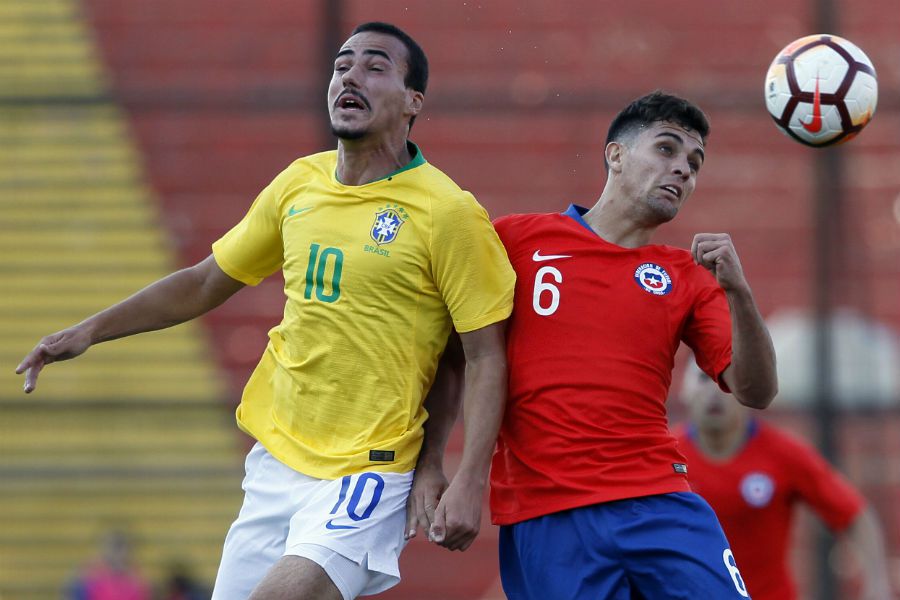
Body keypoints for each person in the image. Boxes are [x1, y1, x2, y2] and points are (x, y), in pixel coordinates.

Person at [16, 21, 515, 600]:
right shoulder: (298, 184)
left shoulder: (448, 212)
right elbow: (204, 282)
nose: (350, 75)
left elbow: (478, 356)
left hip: (368, 471)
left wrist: (463, 476)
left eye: (375, 66)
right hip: (276, 462)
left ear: (413, 102)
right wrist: (90, 330)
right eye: (341, 65)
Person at [486, 91, 779, 599]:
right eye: (666, 150)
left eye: (694, 162)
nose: (683, 170)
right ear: (616, 155)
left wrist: (740, 293)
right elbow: (455, 357)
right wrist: (444, 474)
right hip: (549, 512)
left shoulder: (686, 274)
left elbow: (756, 390)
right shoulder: (515, 241)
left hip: (660, 501)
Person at [675, 366, 894, 600]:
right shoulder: (664, 456)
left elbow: (855, 515)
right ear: (685, 391)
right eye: (703, 378)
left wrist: (877, 585)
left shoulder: (784, 454)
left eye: (726, 380)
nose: (715, 391)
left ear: (747, 391)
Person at [66, 530, 151, 600]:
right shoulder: (90, 577)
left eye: (121, 549)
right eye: (114, 549)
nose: (118, 555)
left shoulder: (137, 581)